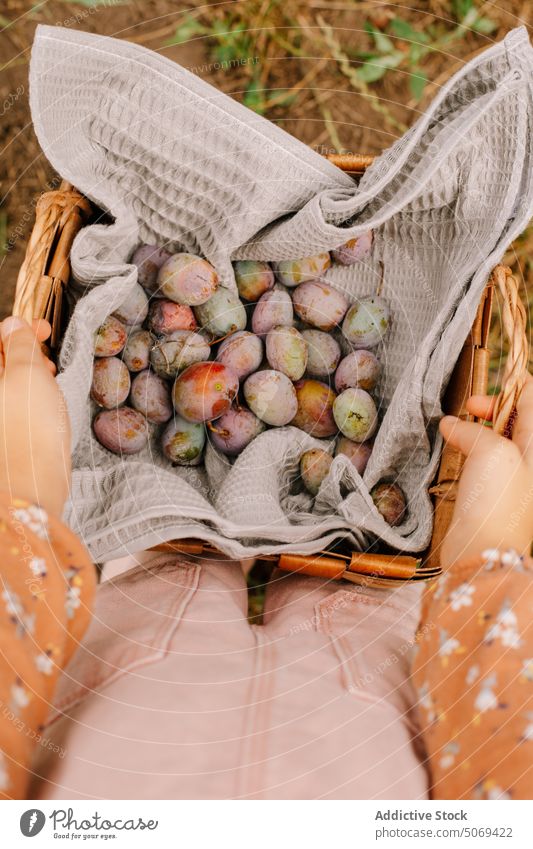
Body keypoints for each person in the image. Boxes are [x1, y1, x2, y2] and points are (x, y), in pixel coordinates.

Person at [0, 317, 531, 800]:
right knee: (359, 582)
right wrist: (490, 557)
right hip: (373, 695)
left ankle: (185, 542)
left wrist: (22, 488)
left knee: (172, 570)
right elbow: (507, 752)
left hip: (129, 664)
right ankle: (296, 560)